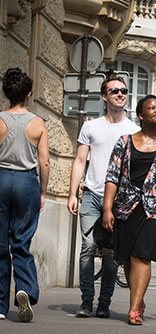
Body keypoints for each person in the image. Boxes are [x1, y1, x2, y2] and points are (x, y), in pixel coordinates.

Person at [103, 95, 156, 325]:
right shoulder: (124, 141)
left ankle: (134, 309)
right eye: (152, 107)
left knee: (142, 257)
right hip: (126, 207)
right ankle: (138, 299)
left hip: (155, 209)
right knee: (127, 258)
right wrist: (107, 208)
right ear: (140, 115)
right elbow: (112, 176)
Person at [66, 74, 140, 318]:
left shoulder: (133, 131)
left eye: (123, 91)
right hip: (91, 195)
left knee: (110, 254)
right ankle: (87, 301)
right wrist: (72, 194)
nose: (120, 94)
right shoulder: (91, 126)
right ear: (104, 97)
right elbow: (79, 161)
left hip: (119, 201)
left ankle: (104, 303)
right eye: (115, 91)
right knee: (87, 247)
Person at [0, 68, 50, 322]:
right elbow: (45, 163)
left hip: (1, 179)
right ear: (28, 95)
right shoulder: (38, 123)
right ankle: (24, 290)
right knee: (21, 243)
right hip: (26, 182)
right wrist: (42, 192)